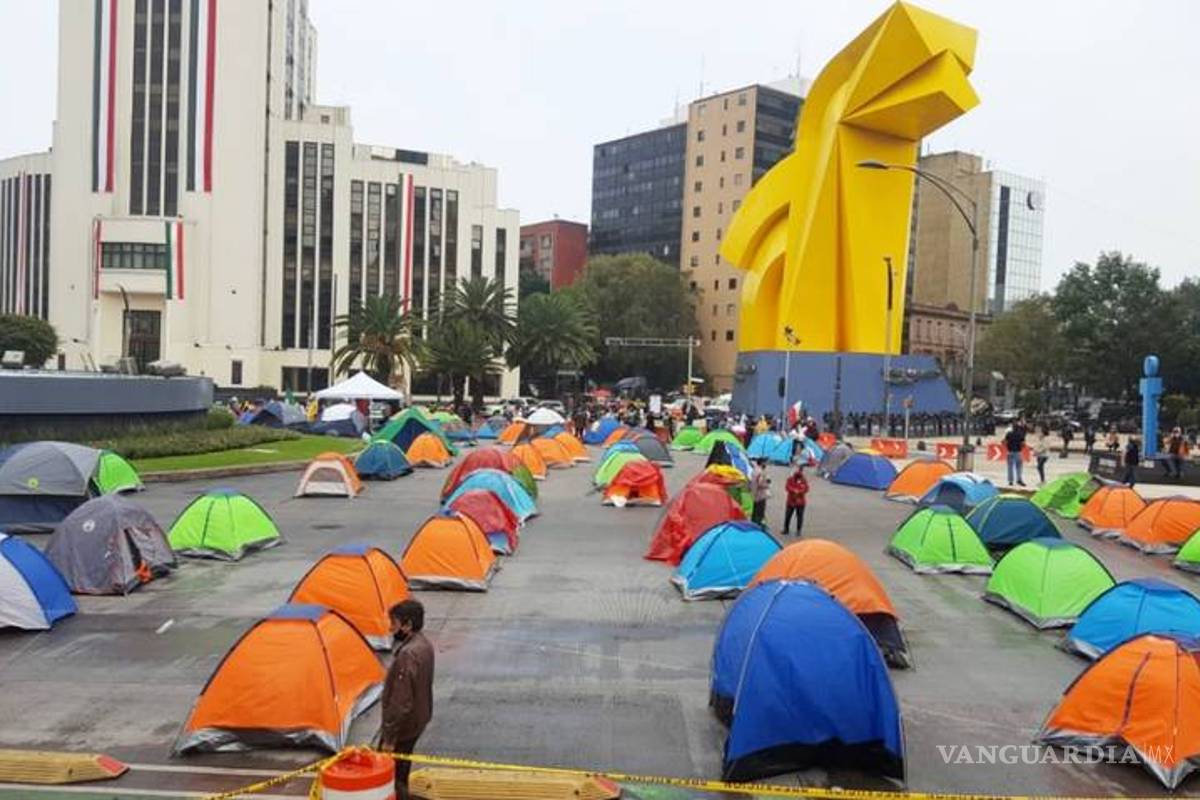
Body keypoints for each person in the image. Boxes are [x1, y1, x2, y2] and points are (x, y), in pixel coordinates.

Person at [379, 600, 435, 800]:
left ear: (407, 625)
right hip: (420, 719)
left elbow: (401, 702)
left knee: (390, 779)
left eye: (394, 623)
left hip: (404, 727)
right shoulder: (424, 645)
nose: (390, 628)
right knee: (402, 769)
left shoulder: (408, 654)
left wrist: (389, 738)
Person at [782, 465, 809, 536]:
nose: (797, 471)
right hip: (791, 501)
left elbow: (806, 489)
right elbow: (787, 487)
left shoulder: (804, 479)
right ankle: (786, 529)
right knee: (788, 516)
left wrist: (799, 491)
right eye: (796, 470)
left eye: (799, 470)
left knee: (800, 517)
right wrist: (794, 490)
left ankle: (798, 530)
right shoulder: (790, 479)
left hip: (800, 502)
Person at [1004, 420, 1027, 486]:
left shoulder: (1009, 434)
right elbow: (1023, 444)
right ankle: (1019, 480)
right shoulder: (1021, 434)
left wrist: (1009, 445)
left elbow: (1004, 442)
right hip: (1018, 452)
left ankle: (1010, 481)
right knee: (1019, 467)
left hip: (1010, 452)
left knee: (1010, 467)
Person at [750, 458, 771, 526]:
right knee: (760, 513)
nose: (766, 464)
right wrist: (767, 485)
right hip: (760, 496)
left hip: (754, 495)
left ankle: (752, 525)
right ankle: (758, 526)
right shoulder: (761, 472)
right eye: (765, 462)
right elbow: (760, 483)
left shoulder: (754, 470)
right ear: (762, 463)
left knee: (754, 512)